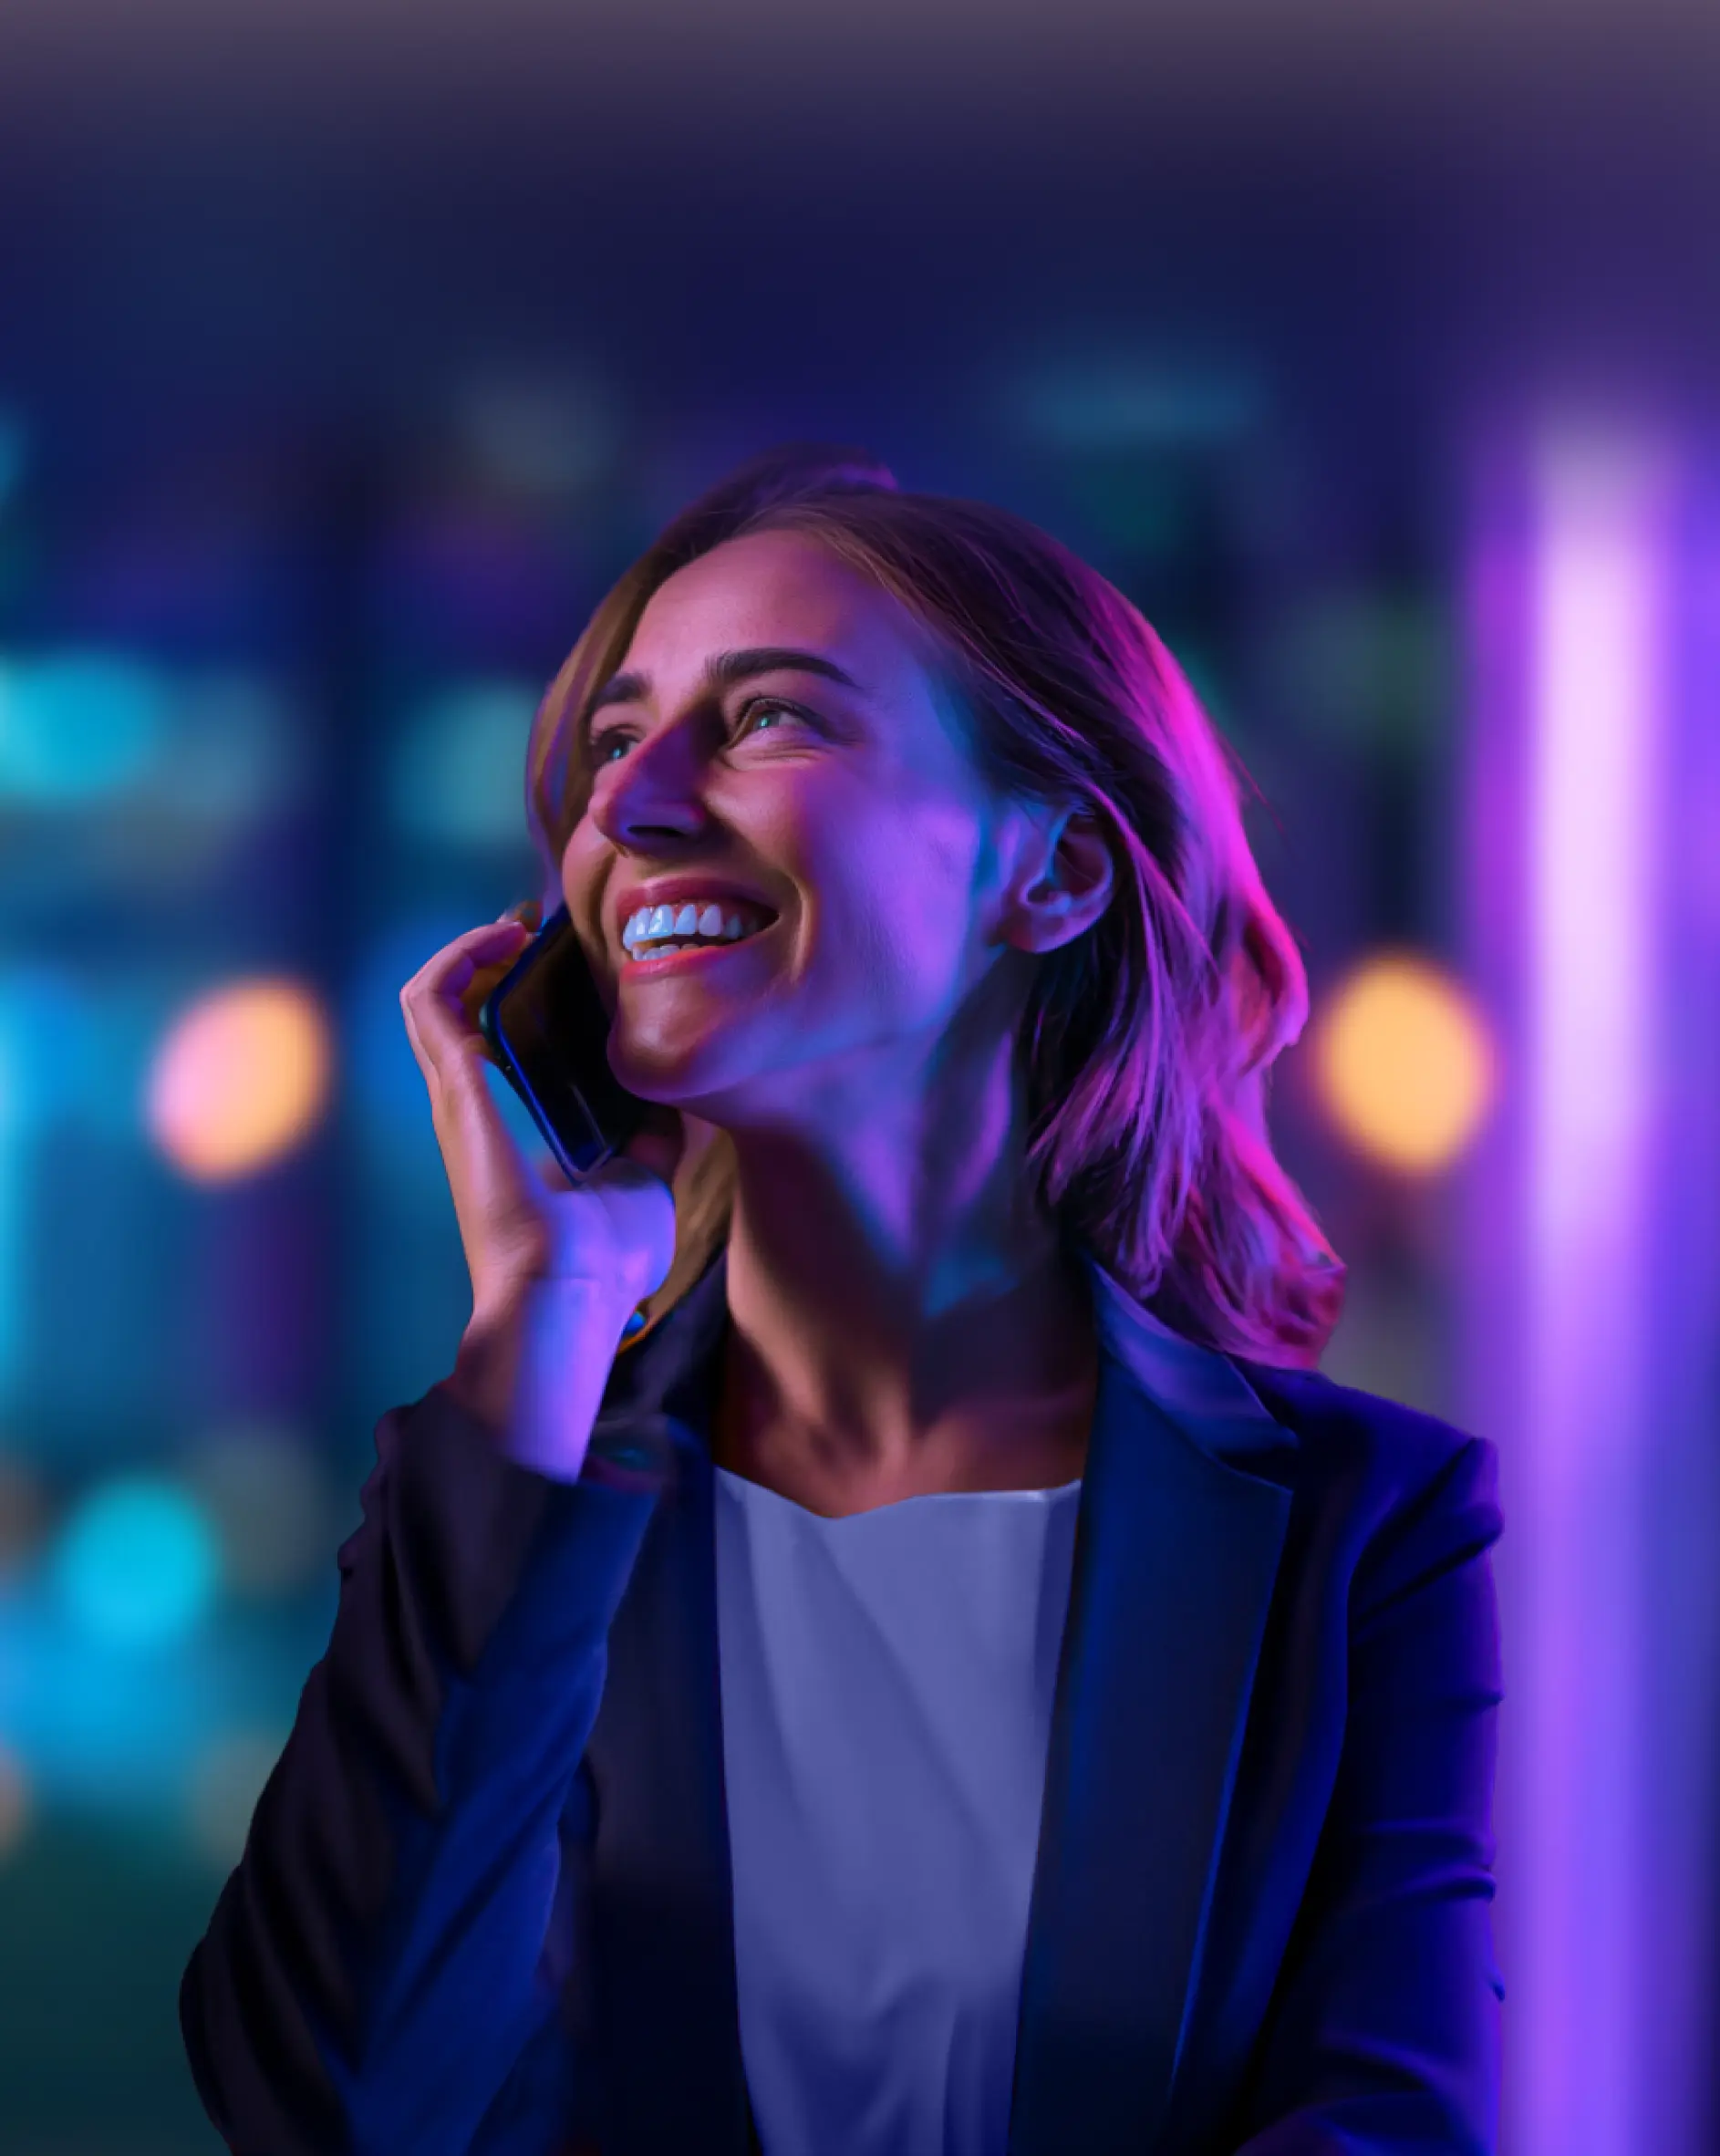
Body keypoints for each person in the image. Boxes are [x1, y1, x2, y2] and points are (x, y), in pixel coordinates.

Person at [179, 444, 1505, 2155]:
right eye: (610, 742)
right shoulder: (509, 1496)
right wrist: (546, 1307)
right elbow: (332, 2114)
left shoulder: (1362, 1529)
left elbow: (1382, 2127)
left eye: (769, 719)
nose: (630, 807)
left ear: (1052, 875)